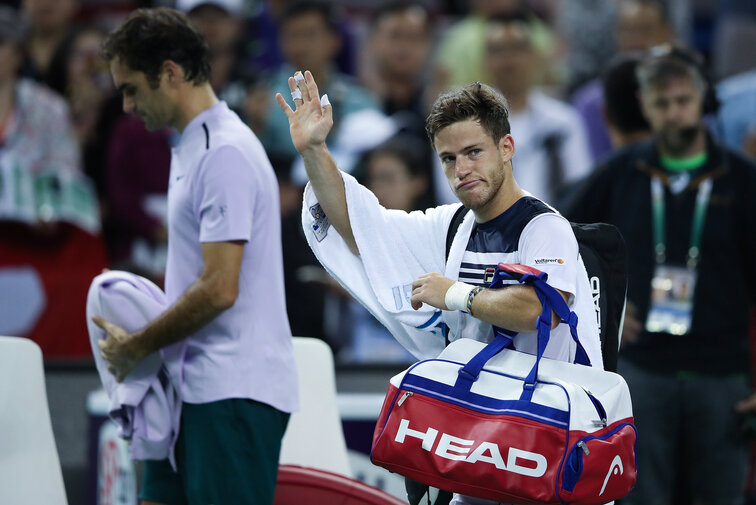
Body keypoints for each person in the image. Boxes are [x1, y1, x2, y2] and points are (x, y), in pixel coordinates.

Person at [277, 71, 603, 505]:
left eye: (473, 152)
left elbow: (539, 310)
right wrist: (315, 150)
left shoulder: (545, 227)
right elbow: (362, 228)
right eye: (449, 159)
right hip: (479, 440)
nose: (462, 169)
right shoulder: (451, 226)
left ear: (506, 148)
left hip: (548, 447)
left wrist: (454, 294)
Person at [94, 8, 297, 505]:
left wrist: (138, 343)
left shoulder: (222, 152)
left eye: (132, 88)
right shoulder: (190, 145)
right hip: (189, 389)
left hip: (232, 393)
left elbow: (219, 287)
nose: (125, 105)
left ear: (169, 73)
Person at [564, 46, 756, 505]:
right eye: (662, 103)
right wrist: (605, 307)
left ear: (703, 100)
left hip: (723, 376)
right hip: (641, 373)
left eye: (683, 100)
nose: (674, 113)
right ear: (644, 107)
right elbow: (559, 241)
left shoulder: (743, 180)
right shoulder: (618, 173)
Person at [483, 12, 592, 207]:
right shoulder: (472, 125)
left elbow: (581, 189)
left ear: (534, 57)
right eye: (499, 50)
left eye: (517, 49)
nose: (509, 60)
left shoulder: (563, 120)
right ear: (486, 61)